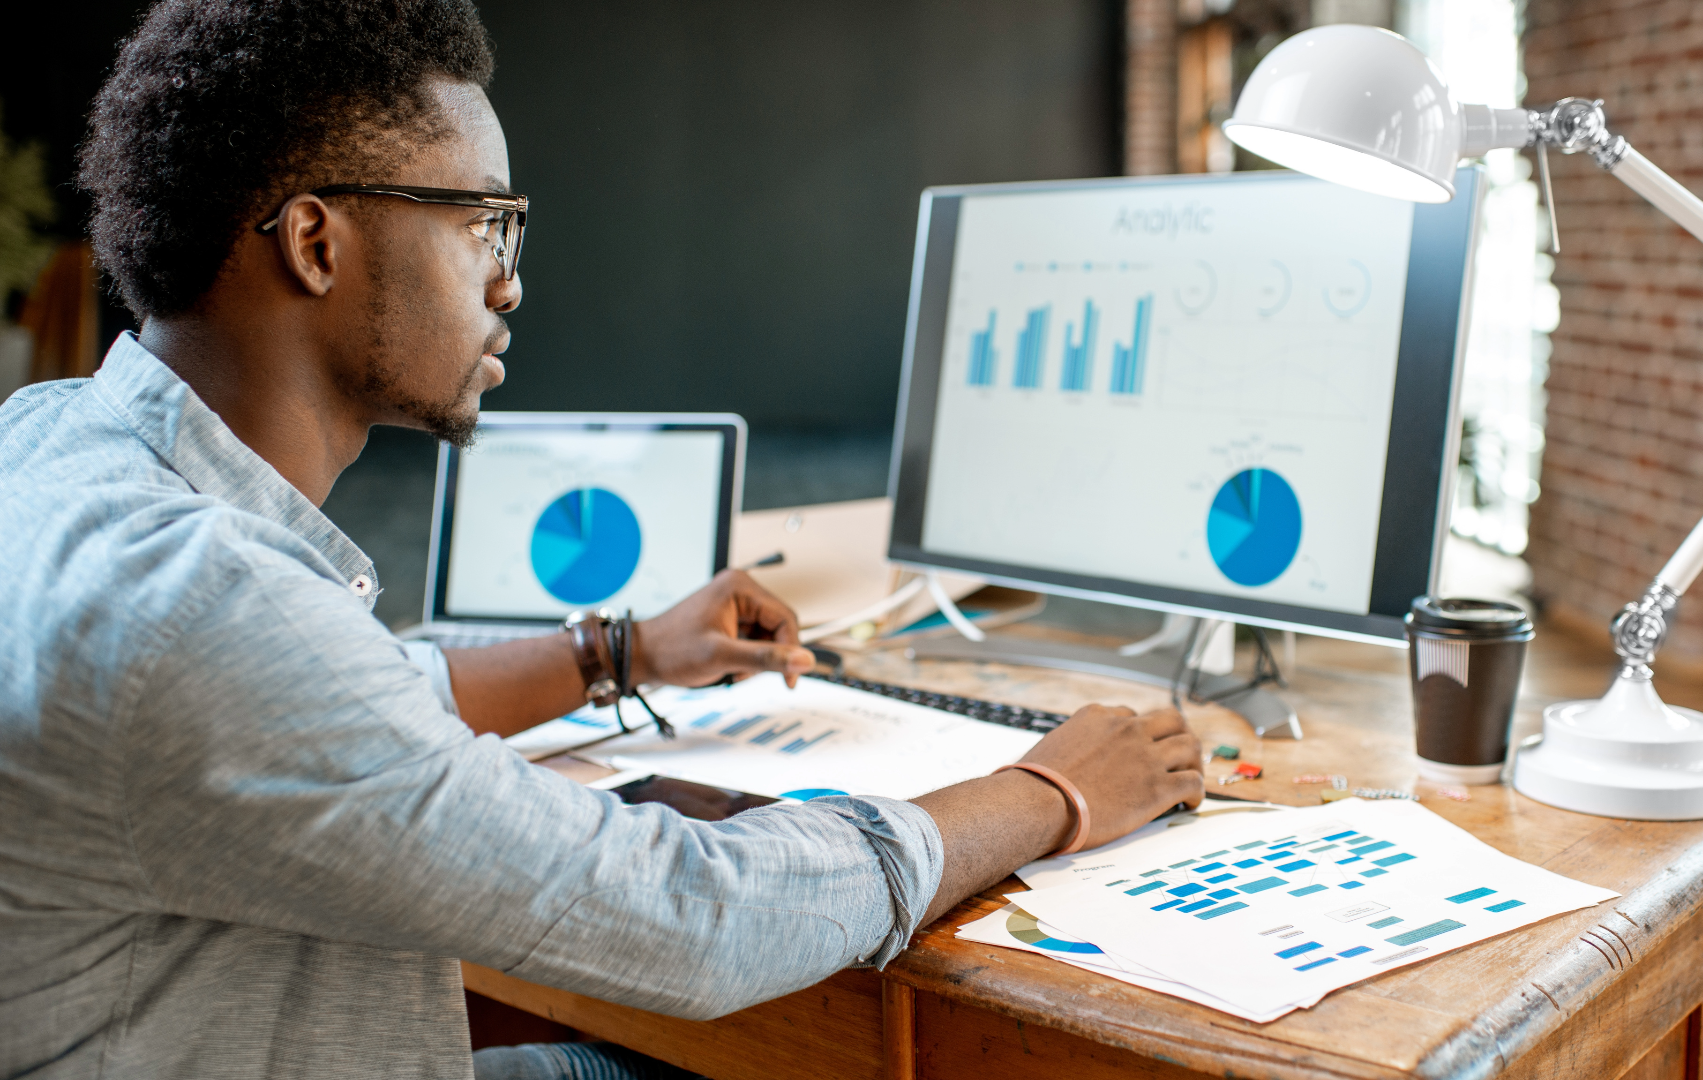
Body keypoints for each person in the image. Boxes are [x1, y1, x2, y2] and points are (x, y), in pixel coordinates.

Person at [0, 1, 1205, 1078]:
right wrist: (1048, 788)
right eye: (485, 224)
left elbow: (336, 704)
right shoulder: (200, 608)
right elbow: (693, 917)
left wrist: (614, 652)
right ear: (316, 244)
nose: (510, 283)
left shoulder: (54, 446)